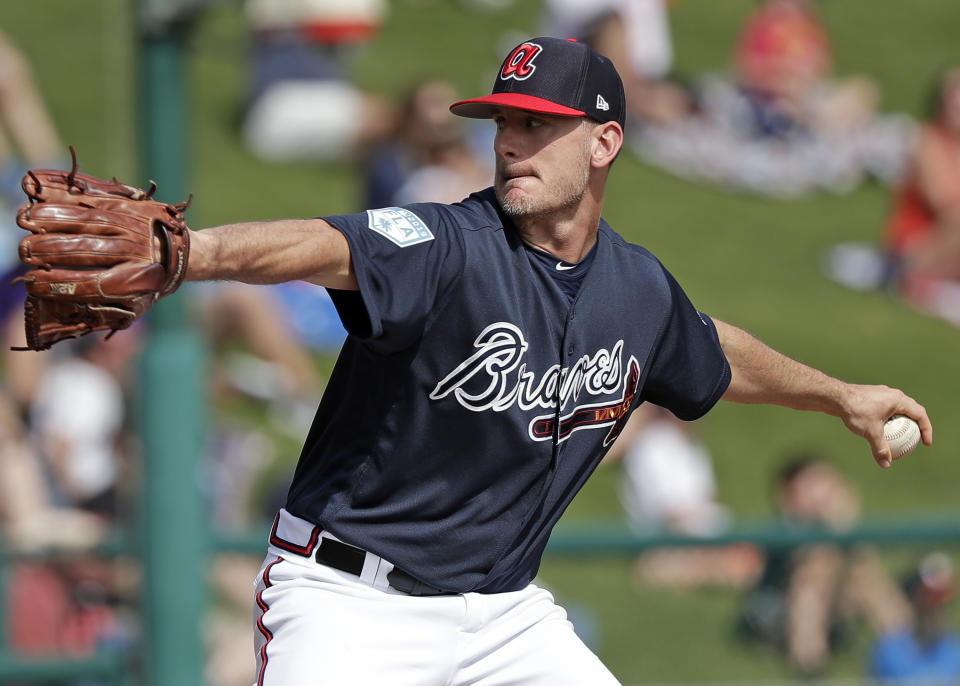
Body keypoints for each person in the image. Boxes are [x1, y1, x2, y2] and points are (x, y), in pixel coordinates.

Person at [23, 37, 933, 685]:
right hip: (351, 603)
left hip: (501, 614)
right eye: (504, 121)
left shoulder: (636, 289)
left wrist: (840, 395)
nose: (511, 141)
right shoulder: (445, 243)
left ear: (605, 141)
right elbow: (322, 245)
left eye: (539, 125)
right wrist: (196, 253)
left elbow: (707, 350)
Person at [738, 455, 912, 677]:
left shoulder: (835, 524)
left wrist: (844, 526)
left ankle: (908, 656)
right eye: (812, 485)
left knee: (863, 575)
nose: (822, 494)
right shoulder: (786, 525)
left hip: (835, 608)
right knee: (815, 572)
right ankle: (810, 665)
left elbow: (864, 560)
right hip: (780, 615)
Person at [869, 551, 960, 684]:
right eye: (928, 603)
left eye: (941, 604)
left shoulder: (955, 650)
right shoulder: (889, 650)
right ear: (912, 603)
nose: (935, 612)